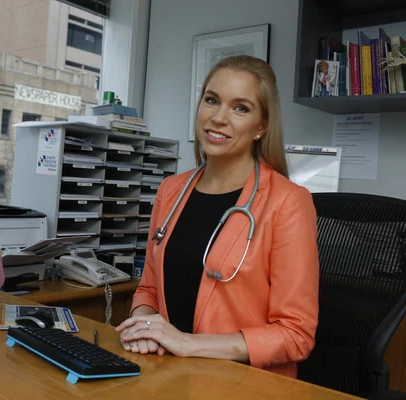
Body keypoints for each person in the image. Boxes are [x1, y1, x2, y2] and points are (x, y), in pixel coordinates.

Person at [116, 55, 319, 378]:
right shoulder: (171, 190)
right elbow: (149, 289)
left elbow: (295, 335)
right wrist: (145, 325)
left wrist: (186, 343)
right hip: (169, 374)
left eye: (241, 108)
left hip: (242, 385)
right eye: (212, 100)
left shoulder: (289, 202)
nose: (219, 118)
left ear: (262, 126)